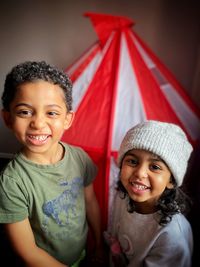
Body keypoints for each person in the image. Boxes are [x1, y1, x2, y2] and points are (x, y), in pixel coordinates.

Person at [0, 61, 104, 267]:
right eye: (24, 112)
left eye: (51, 113)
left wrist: (99, 242)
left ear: (67, 119)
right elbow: (28, 252)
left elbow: (90, 201)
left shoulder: (80, 158)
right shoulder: (11, 182)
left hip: (81, 255)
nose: (38, 123)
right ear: (8, 118)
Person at [104, 120, 193, 267]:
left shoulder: (171, 236)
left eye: (155, 166)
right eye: (132, 161)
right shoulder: (123, 197)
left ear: (171, 180)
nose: (140, 173)